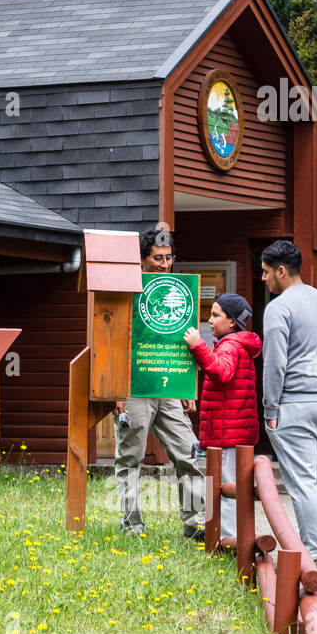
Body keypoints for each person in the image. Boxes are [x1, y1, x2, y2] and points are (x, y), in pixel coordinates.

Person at [114, 223, 205, 538]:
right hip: (133, 387)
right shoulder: (126, 289)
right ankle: (131, 524)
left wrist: (186, 386)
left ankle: (195, 523)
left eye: (168, 258)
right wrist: (116, 391)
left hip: (168, 387)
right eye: (158, 259)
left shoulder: (178, 290)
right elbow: (113, 339)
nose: (165, 264)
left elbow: (181, 340)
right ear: (142, 260)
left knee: (189, 451)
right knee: (130, 457)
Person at [259, 239, 317, 572]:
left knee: (303, 483)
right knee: (316, 480)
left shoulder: (278, 308)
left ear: (282, 271)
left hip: (297, 402)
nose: (264, 279)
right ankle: (315, 547)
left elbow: (275, 363)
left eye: (266, 273)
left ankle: (312, 554)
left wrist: (270, 409)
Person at [184, 293, 261, 540]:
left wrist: (198, 346)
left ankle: (227, 540)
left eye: (216, 315)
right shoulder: (239, 345)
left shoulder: (230, 346)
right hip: (233, 432)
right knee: (223, 485)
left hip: (228, 435)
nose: (210, 320)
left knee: (225, 488)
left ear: (232, 322)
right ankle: (216, 534)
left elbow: (221, 372)